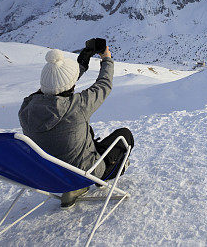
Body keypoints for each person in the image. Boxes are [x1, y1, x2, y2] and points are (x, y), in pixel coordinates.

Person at [18, 39, 134, 207]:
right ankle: (104, 176)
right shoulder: (77, 106)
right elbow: (104, 84)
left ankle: (76, 189)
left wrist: (83, 60)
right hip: (83, 172)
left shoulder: (26, 108)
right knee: (125, 136)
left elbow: (53, 88)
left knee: (86, 131)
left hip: (48, 176)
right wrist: (106, 58)